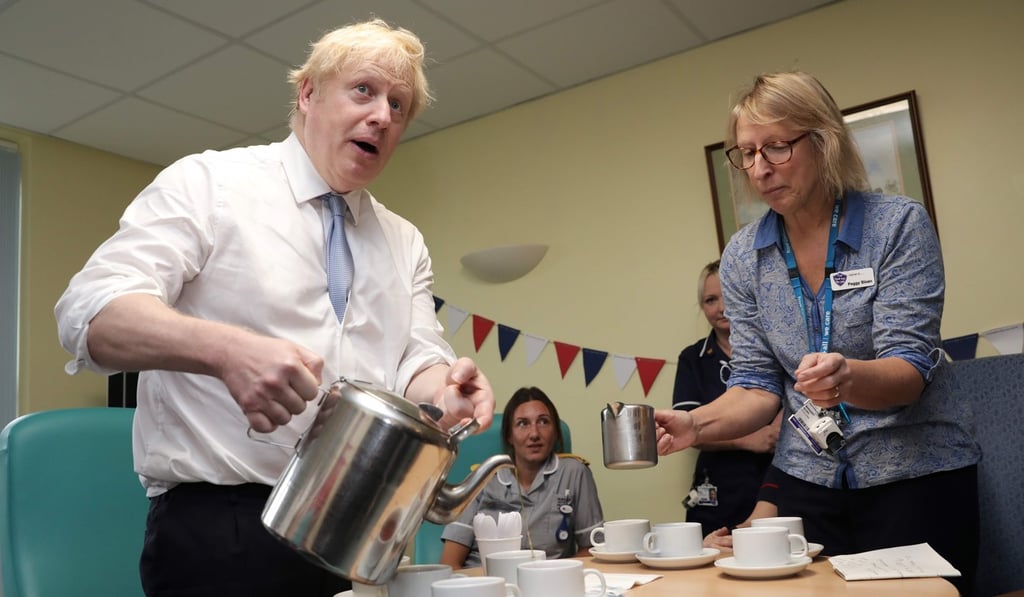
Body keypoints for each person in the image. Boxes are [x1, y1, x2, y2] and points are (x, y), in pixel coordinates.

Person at [54, 19, 494, 597]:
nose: (383, 115)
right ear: (308, 93)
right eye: (364, 90)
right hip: (223, 534)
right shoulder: (209, 183)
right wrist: (226, 350)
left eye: (399, 105)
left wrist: (444, 391)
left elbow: (417, 358)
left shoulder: (404, 239)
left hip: (358, 532)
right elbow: (89, 312)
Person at [654, 71, 980, 595]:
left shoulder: (896, 226)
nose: (760, 169)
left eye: (777, 148)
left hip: (913, 473)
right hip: (810, 479)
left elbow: (909, 370)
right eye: (747, 154)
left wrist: (846, 376)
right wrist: (698, 425)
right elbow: (757, 384)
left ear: (824, 140)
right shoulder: (743, 257)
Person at [440, 387, 604, 569]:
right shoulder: (483, 478)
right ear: (509, 435)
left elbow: (591, 552)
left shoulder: (575, 473)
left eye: (543, 422)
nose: (534, 434)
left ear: (555, 431)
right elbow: (450, 562)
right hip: (486, 582)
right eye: (523, 424)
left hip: (547, 584)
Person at [672, 259, 780, 536]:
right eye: (710, 300)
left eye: (728, 297)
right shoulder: (692, 359)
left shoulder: (776, 349)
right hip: (719, 486)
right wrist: (750, 440)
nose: (721, 308)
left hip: (776, 477)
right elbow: (686, 428)